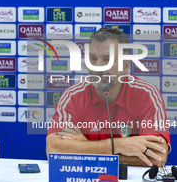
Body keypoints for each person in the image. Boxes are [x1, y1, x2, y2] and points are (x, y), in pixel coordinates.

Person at [46, 27, 170, 167]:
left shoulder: (146, 95)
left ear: (125, 66)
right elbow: (54, 150)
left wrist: (85, 147)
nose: (98, 67)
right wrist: (120, 145)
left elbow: (157, 157)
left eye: (107, 59)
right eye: (93, 58)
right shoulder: (73, 96)